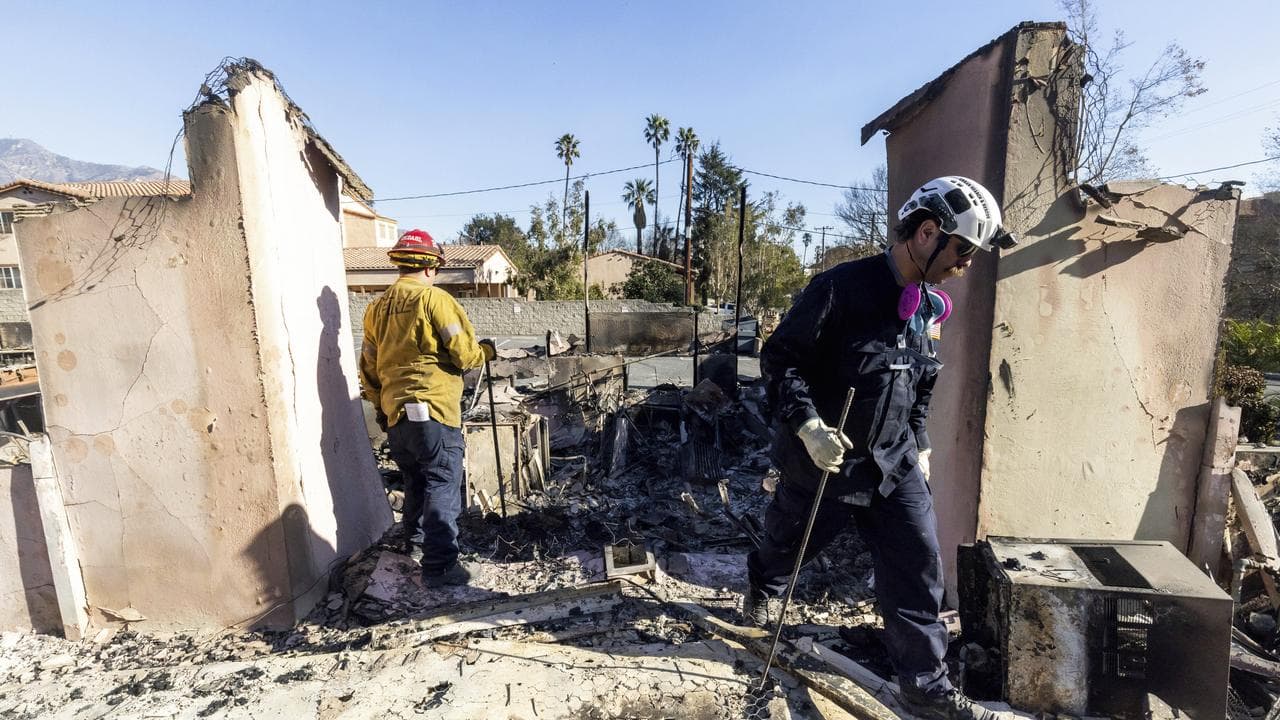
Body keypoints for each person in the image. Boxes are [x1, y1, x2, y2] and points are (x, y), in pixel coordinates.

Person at [744, 177, 1015, 720]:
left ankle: (925, 687)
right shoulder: (840, 289)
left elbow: (922, 384)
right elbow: (780, 361)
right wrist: (808, 425)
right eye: (963, 251)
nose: (966, 265)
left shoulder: (926, 310)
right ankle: (761, 589)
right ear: (927, 232)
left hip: (893, 465)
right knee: (790, 543)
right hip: (824, 459)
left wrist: (921, 442)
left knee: (918, 565)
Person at [358, 229, 496, 587]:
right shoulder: (435, 300)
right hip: (432, 409)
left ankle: (415, 549)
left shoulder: (376, 308)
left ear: (399, 264)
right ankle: (440, 566)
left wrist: (381, 405)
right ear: (432, 267)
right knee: (442, 481)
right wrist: (487, 352)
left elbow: (369, 367)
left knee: (415, 480)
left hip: (396, 414)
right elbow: (465, 354)